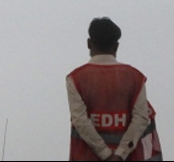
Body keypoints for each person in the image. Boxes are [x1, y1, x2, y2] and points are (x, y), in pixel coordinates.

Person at [67, 17, 162, 161]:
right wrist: (120, 154)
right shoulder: (135, 77)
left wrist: (105, 153)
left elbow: (80, 121)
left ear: (89, 44)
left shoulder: (75, 78)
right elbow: (141, 119)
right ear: (116, 46)